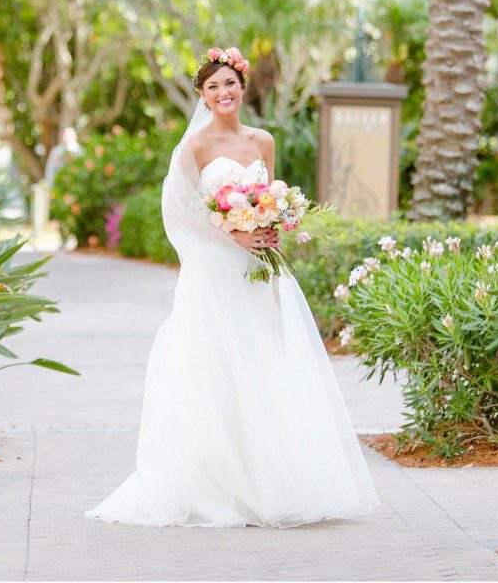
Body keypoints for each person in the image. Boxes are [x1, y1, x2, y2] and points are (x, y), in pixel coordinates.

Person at [84, 45, 380, 528]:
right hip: (214, 272)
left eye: (230, 83)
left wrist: (272, 225)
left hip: (260, 270)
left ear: (243, 88)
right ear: (202, 95)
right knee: (220, 365)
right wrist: (233, 234)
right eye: (213, 86)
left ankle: (273, 480)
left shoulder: (262, 140)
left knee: (265, 359)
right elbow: (177, 214)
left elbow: (272, 195)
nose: (224, 92)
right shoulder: (194, 148)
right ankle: (222, 485)